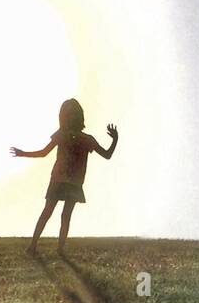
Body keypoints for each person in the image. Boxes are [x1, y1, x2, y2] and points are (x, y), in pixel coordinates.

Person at [10, 99, 118, 252]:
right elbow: (107, 154)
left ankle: (34, 245)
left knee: (48, 212)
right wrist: (115, 140)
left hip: (60, 180)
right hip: (73, 182)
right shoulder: (86, 139)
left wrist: (23, 154)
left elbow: (43, 153)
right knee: (64, 215)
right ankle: (57, 248)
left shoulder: (63, 135)